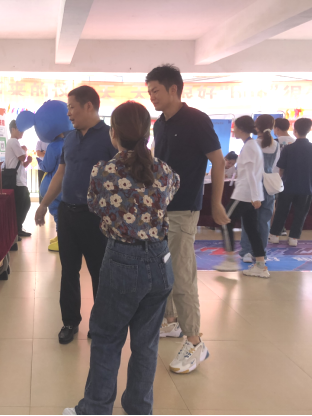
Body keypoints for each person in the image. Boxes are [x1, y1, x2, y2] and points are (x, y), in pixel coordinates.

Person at [64, 101, 180, 416]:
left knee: (107, 338)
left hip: (122, 260)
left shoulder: (104, 171)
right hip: (160, 261)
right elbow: (171, 194)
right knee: (146, 343)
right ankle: (139, 407)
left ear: (113, 134)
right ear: (147, 134)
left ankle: (96, 408)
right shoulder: (164, 170)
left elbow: (94, 205)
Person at [147, 65, 230, 374]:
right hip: (161, 209)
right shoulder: (159, 124)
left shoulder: (197, 120)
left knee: (182, 275)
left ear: (173, 89)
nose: (152, 96)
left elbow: (218, 161)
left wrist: (216, 203)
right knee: (163, 269)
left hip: (184, 210)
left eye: (156, 90)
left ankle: (195, 342)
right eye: (149, 92)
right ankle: (171, 321)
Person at [35, 86, 117, 345]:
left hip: (96, 218)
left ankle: (99, 323)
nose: (68, 113)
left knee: (99, 272)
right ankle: (70, 322)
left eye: (72, 107)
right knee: (68, 271)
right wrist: (43, 204)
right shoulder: (69, 139)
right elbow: (60, 174)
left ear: (89, 106)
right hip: (68, 215)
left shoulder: (110, 137)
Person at [215, 116, 269, 278]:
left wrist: (255, 196)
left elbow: (251, 174)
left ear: (241, 128)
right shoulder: (250, 145)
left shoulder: (250, 146)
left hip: (244, 194)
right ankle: (260, 265)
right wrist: (255, 196)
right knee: (252, 229)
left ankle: (230, 260)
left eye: (235, 127)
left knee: (224, 221)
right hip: (249, 194)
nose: (234, 130)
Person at [239, 115, 280, 263]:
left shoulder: (251, 144)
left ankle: (246, 252)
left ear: (256, 127)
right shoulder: (276, 145)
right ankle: (261, 253)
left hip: (252, 185)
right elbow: (275, 167)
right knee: (264, 221)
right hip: (268, 186)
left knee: (249, 221)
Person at [270, 118, 312, 247]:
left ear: (294, 131)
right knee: (301, 213)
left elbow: (281, 169)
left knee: (281, 211)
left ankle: (275, 235)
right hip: (306, 186)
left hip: (287, 185)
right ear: (309, 130)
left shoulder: (288, 148)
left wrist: (279, 182)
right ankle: (294, 238)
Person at [5, 120, 33, 238]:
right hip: (17, 181)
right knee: (24, 204)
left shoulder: (12, 142)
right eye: (20, 129)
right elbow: (22, 157)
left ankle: (17, 229)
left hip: (17, 179)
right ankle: (17, 229)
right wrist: (24, 150)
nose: (22, 132)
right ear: (13, 129)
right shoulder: (13, 141)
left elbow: (21, 164)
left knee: (21, 205)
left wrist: (28, 162)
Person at [38, 134, 65, 252]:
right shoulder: (67, 142)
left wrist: (39, 162)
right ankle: (60, 237)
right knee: (61, 212)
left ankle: (61, 240)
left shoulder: (53, 146)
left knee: (57, 213)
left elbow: (47, 167)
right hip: (65, 185)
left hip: (54, 185)